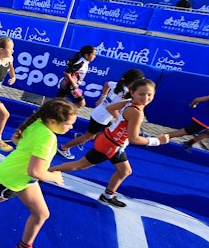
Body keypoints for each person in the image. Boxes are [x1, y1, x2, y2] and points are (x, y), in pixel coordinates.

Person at [0, 99, 77, 248]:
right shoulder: (48, 138)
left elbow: (16, 139)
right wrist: (54, 176)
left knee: (41, 214)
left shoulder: (38, 122)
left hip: (23, 179)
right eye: (68, 124)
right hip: (9, 181)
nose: (71, 128)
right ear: (53, 122)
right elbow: (36, 172)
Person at [50, 79, 170, 208]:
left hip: (112, 142)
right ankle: (46, 171)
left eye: (149, 94)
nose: (145, 98)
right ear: (133, 92)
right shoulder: (136, 112)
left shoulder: (129, 102)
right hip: (111, 145)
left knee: (124, 171)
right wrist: (157, 141)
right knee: (81, 165)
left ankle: (108, 195)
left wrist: (119, 122)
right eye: (141, 94)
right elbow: (134, 138)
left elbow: (110, 107)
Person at [57, 68, 145, 160]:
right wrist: (118, 118)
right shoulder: (125, 94)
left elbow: (107, 84)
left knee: (108, 133)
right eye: (140, 81)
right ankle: (64, 147)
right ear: (133, 81)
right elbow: (111, 108)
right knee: (89, 136)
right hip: (101, 117)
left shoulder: (118, 85)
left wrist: (102, 97)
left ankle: (81, 137)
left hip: (100, 114)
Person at [56, 45, 97, 109]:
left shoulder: (85, 62)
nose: (95, 56)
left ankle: (56, 113)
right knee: (81, 103)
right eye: (93, 54)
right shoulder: (81, 63)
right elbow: (67, 72)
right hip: (69, 85)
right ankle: (66, 113)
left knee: (57, 103)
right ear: (87, 55)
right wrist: (74, 83)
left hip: (66, 84)